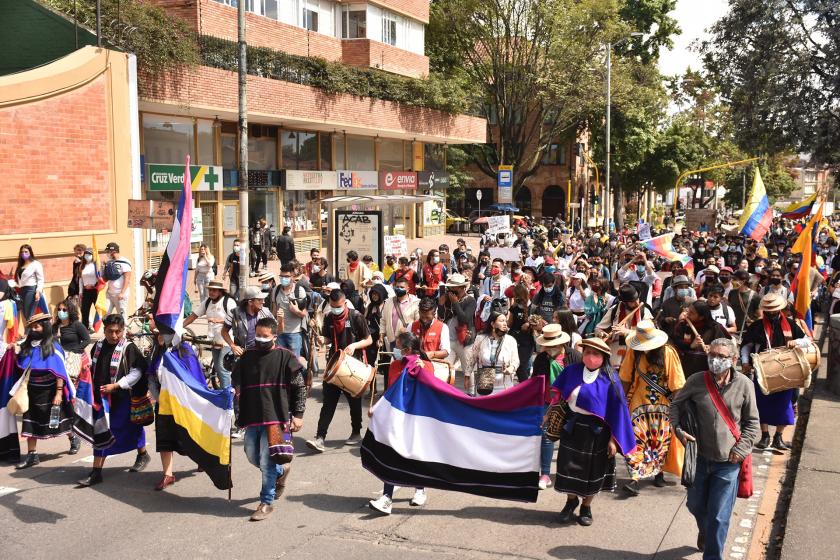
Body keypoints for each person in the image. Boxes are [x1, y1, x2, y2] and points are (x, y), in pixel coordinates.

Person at [670, 337, 759, 557]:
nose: (716, 360)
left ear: (734, 359)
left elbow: (752, 422)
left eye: (722, 356)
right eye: (712, 355)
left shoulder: (745, 385)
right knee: (695, 506)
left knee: (719, 517)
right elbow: (675, 406)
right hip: (699, 459)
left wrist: (740, 450)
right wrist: (679, 431)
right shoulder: (696, 380)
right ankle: (706, 531)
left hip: (728, 464)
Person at [550, 336, 635, 526]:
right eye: (587, 352)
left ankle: (586, 507)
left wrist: (613, 440)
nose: (590, 357)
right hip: (572, 427)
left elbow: (619, 412)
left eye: (595, 354)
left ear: (603, 357)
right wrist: (551, 409)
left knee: (592, 471)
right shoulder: (571, 371)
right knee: (568, 467)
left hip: (597, 432)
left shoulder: (611, 379)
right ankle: (570, 503)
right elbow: (557, 392)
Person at [233, 317, 306, 521]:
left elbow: (299, 387)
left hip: (276, 417)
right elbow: (236, 379)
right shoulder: (247, 357)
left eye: (265, 336)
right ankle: (281, 470)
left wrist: (298, 415)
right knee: (251, 455)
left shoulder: (285, 357)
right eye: (257, 335)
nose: (260, 339)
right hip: (252, 416)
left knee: (266, 461)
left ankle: (266, 502)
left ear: (275, 336)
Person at [77, 314, 151, 486]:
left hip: (122, 396)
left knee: (132, 427)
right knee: (102, 432)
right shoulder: (98, 346)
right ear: (105, 330)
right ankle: (96, 473)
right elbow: (95, 366)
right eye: (111, 331)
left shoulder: (129, 348)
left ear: (123, 330)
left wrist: (117, 385)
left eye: (118, 331)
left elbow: (137, 372)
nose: (115, 335)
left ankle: (142, 453)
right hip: (101, 398)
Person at [368, 331, 433, 515]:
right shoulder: (394, 365)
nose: (395, 350)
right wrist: (377, 407)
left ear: (409, 349)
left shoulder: (426, 365)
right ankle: (387, 498)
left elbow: (431, 388)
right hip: (397, 417)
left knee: (415, 454)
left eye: (398, 347)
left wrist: (424, 370)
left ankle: (420, 489)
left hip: (417, 418)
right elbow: (390, 391)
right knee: (392, 454)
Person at [620, 321, 686, 495]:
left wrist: (677, 408)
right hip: (638, 403)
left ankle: (659, 472)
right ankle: (635, 478)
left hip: (662, 405)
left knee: (660, 441)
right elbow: (625, 378)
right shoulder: (633, 351)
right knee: (636, 441)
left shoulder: (668, 353)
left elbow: (677, 384)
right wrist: (620, 402)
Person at [306, 288, 372, 452]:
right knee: (328, 403)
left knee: (354, 402)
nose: (336, 309)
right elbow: (328, 337)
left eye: (339, 306)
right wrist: (323, 339)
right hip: (334, 364)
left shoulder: (356, 316)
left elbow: (368, 339)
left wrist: (354, 345)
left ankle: (356, 432)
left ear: (344, 303)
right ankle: (320, 437)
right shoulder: (329, 317)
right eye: (333, 306)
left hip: (352, 364)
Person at [740, 294, 809, 451]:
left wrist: (796, 341)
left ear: (780, 309)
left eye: (774, 310)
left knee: (784, 405)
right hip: (762, 372)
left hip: (787, 371)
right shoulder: (757, 326)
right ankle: (764, 437)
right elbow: (746, 345)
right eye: (768, 310)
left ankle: (779, 437)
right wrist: (744, 362)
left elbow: (807, 341)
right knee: (761, 404)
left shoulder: (791, 324)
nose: (771, 313)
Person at [15, 313, 76, 469]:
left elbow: (59, 372)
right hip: (32, 391)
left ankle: (73, 438)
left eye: (37, 326)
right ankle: (32, 455)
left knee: (59, 419)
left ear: (45, 327)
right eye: (32, 327)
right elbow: (20, 363)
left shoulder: (53, 347)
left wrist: (59, 393)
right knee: (30, 422)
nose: (34, 330)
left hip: (51, 391)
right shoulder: (27, 346)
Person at [532, 325, 578, 490]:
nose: (548, 349)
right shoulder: (541, 358)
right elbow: (534, 382)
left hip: (571, 403)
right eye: (547, 345)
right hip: (547, 402)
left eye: (552, 345)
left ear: (561, 344)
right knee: (546, 436)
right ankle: (545, 474)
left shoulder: (575, 356)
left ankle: (570, 473)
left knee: (571, 437)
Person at [183, 281, 237, 390]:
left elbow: (236, 320)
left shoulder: (229, 302)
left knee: (223, 369)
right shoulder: (207, 302)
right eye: (210, 290)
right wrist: (180, 326)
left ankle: (227, 396)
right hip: (212, 341)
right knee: (217, 367)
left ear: (220, 292)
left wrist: (220, 321)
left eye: (214, 290)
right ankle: (221, 392)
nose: (211, 292)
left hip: (226, 341)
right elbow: (193, 316)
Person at [595, 284, 654, 368]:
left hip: (637, 352)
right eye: (632, 301)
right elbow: (598, 328)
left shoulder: (644, 311)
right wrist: (601, 334)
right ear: (624, 302)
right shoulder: (614, 310)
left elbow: (650, 334)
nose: (636, 302)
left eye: (637, 299)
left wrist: (627, 332)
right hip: (616, 356)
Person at [439, 273, 477, 393]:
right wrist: (441, 304)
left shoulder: (470, 300)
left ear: (461, 288)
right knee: (445, 367)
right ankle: (446, 392)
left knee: (467, 369)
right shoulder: (447, 298)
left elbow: (464, 319)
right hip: (449, 339)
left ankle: (470, 394)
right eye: (449, 287)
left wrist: (455, 303)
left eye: (453, 287)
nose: (450, 289)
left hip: (464, 339)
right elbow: (440, 317)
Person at [467, 312, 518, 396]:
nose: (505, 323)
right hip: (485, 384)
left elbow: (515, 360)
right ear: (493, 324)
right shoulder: (481, 339)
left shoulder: (511, 340)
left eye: (505, 321)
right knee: (483, 407)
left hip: (504, 385)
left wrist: (511, 369)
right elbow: (472, 358)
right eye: (501, 321)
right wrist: (467, 375)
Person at [268, 263, 309, 358]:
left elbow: (304, 314)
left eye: (286, 276)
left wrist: (296, 311)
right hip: (279, 334)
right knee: (280, 361)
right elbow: (273, 312)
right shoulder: (276, 290)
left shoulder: (299, 291)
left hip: (294, 334)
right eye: (281, 276)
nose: (283, 279)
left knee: (294, 363)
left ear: (293, 277)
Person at [507, 282, 535, 382]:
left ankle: (526, 386)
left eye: (516, 296)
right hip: (514, 338)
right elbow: (509, 324)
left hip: (526, 341)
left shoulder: (533, 308)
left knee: (522, 365)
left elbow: (538, 322)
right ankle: (524, 385)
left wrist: (529, 324)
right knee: (515, 364)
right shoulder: (514, 307)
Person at [658, 275, 695, 341]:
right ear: (674, 289)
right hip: (671, 337)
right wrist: (665, 320)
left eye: (686, 287)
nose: (684, 289)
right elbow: (659, 320)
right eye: (681, 287)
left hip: (687, 336)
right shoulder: (667, 303)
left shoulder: (692, 302)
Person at [14, 244, 44, 322]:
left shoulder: (36, 264)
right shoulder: (21, 265)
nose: (24, 253)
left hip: (31, 290)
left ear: (30, 252)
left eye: (26, 251)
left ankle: (28, 333)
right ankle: (31, 332)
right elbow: (21, 282)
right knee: (25, 313)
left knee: (29, 313)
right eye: (22, 252)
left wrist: (38, 291)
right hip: (22, 290)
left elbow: (41, 279)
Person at [103, 242, 132, 318]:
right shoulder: (109, 262)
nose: (107, 253)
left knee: (121, 316)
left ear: (114, 251)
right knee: (105, 314)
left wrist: (122, 293)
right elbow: (105, 278)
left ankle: (124, 329)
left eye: (108, 251)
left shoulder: (125, 262)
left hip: (120, 294)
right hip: (110, 294)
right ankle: (107, 329)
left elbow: (127, 278)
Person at [79, 247, 99, 331]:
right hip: (86, 292)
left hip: (95, 291)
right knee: (84, 311)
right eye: (86, 254)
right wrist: (80, 292)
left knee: (98, 311)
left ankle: (103, 328)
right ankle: (85, 330)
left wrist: (94, 285)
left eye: (90, 254)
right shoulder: (82, 266)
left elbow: (100, 278)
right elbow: (80, 279)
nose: (87, 256)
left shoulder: (96, 265)